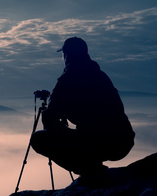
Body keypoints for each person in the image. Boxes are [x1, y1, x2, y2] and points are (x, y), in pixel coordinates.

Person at [30, 37, 135, 177]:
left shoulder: (68, 79)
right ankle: (93, 167)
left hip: (97, 142)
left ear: (66, 55)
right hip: (123, 141)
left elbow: (50, 117)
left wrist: (60, 126)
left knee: (38, 139)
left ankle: (91, 172)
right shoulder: (100, 75)